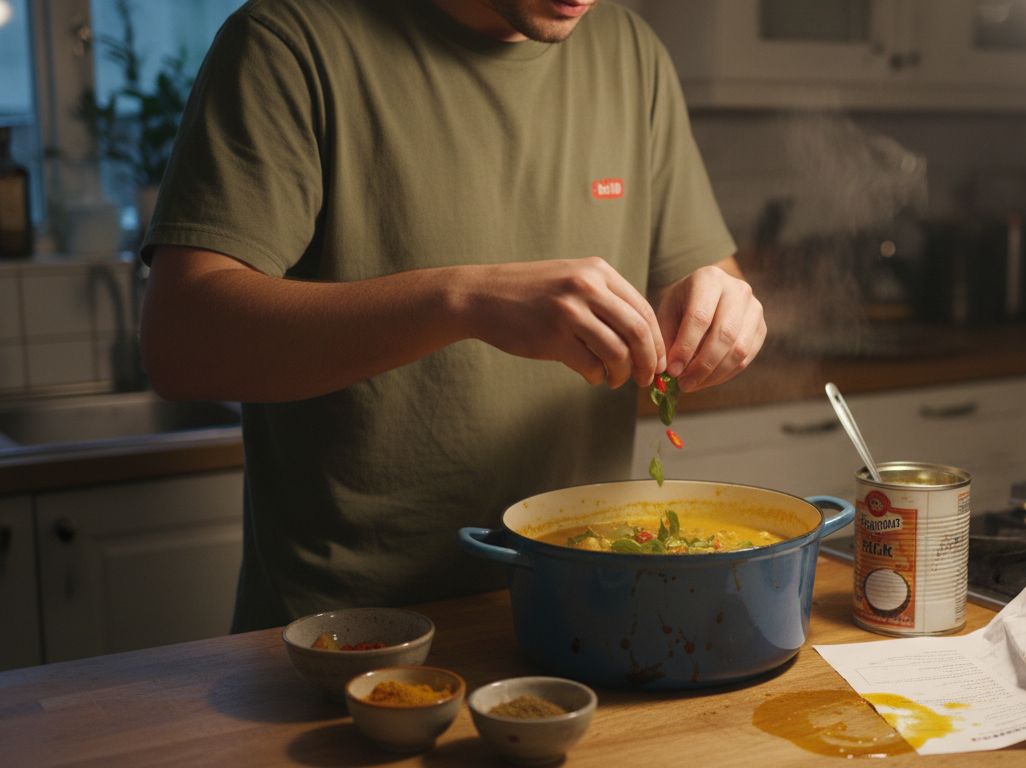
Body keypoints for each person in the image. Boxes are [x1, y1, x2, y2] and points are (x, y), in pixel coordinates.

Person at [138, 0, 766, 632]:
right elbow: (180, 341)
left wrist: (724, 308)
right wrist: (463, 300)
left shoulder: (631, 52)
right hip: (345, 635)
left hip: (578, 607)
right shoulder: (286, 41)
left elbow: (709, 280)